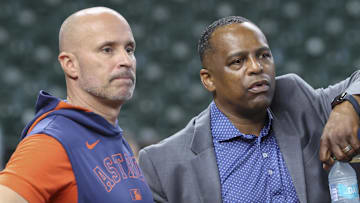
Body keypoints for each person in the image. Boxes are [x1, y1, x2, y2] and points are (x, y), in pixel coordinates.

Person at [138, 16, 360, 203]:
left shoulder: (297, 98)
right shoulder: (164, 164)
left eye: (264, 55)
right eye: (237, 61)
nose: (256, 67)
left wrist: (347, 105)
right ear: (208, 80)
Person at [0, 7, 153, 203]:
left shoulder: (114, 136)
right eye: (107, 50)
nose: (126, 61)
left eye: (129, 49)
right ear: (70, 64)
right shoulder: (52, 141)